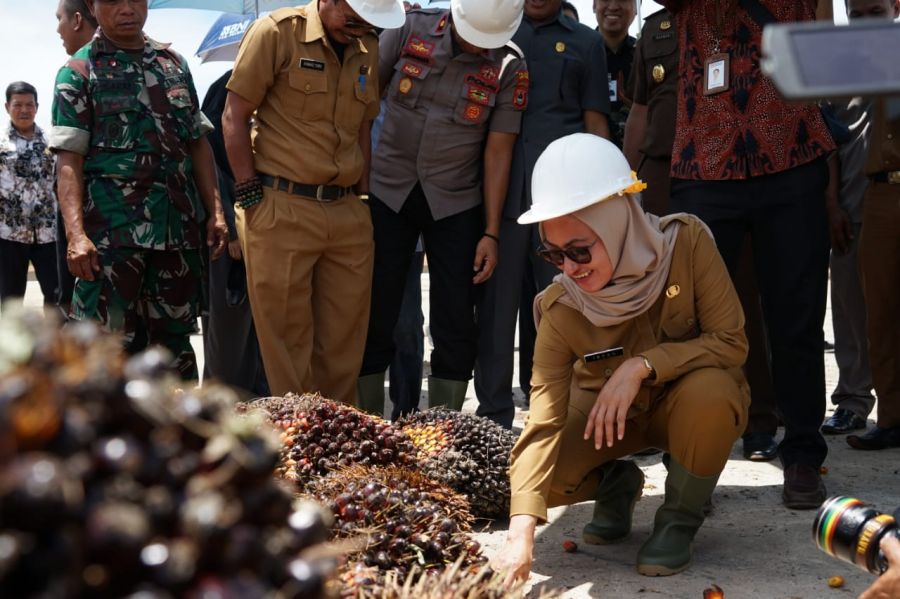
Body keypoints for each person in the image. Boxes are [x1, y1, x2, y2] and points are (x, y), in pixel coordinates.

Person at [492, 133, 749, 582]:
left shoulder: (685, 245)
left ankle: (679, 519)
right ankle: (616, 482)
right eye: (553, 254)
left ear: (617, 224)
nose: (570, 268)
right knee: (528, 481)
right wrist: (519, 536)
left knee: (713, 394)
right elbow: (542, 423)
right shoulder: (561, 307)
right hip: (607, 421)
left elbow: (731, 342)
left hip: (685, 408)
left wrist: (643, 366)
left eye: (579, 250)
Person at [660, 0, 836, 509]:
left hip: (792, 151)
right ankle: (689, 461)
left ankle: (803, 453)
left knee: (797, 318)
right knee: (690, 319)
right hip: (704, 158)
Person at [223, 0, 405, 403]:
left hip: (347, 211)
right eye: (353, 18)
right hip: (281, 206)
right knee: (288, 344)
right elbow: (234, 115)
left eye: (368, 23)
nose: (358, 28)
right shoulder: (275, 33)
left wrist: (362, 197)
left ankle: (336, 436)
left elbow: (363, 128)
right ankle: (297, 435)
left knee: (345, 343)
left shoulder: (367, 45)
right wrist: (250, 195)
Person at [356, 0, 527, 415]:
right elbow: (361, 107)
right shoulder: (409, 28)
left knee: (455, 322)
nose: (480, 49)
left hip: (456, 202)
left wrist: (490, 232)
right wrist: (359, 190)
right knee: (373, 313)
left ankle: (442, 430)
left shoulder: (510, 65)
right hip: (387, 192)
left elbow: (498, 152)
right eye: (474, 39)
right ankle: (366, 422)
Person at [51, 0, 228, 380]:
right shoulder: (79, 71)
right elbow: (68, 160)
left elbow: (198, 143)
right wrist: (76, 235)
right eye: (114, 1)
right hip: (112, 242)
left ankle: (177, 419)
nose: (127, 8)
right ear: (93, 6)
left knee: (174, 351)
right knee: (103, 351)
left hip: (177, 236)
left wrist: (215, 212)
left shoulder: (174, 65)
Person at [475, 0, 611, 429]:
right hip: (499, 195)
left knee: (563, 305)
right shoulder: (495, 33)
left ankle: (559, 415)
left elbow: (596, 124)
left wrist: (606, 200)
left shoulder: (586, 44)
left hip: (562, 201)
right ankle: (493, 417)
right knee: (496, 309)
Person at [846, 0, 900, 451]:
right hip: (879, 192)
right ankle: (892, 418)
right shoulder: (850, 62)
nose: (866, 22)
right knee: (880, 314)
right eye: (857, 14)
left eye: (875, 11)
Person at [200, 69, 269, 398]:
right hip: (230, 238)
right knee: (228, 329)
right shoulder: (226, 87)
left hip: (267, 230)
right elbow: (212, 170)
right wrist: (230, 227)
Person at [54, 0, 98, 316]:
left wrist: (75, 234)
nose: (58, 29)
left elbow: (69, 162)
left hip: (97, 229)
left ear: (78, 19)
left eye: (60, 19)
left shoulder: (76, 71)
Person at [0, 82, 59, 309]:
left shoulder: (52, 142)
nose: (24, 110)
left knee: (57, 294)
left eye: (29, 105)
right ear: (7, 107)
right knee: (10, 299)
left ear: (37, 107)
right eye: (18, 105)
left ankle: (54, 334)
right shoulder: (1, 144)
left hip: (48, 233)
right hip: (9, 234)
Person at [594, 0, 636, 149]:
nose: (613, 7)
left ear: (636, 8)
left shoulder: (645, 55)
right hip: (589, 152)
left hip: (636, 154)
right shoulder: (579, 54)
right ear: (594, 5)